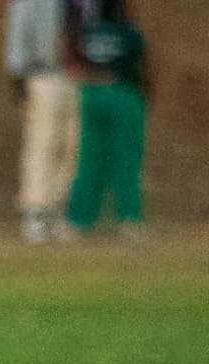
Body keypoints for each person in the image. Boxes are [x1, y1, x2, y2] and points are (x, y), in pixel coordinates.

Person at [65, 0, 148, 238]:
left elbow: (77, 59)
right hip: (124, 94)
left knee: (89, 160)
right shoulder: (129, 33)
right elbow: (142, 64)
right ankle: (130, 219)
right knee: (126, 160)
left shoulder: (88, 32)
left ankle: (79, 220)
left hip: (92, 94)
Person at [8, 0, 79, 242]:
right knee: (41, 143)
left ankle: (59, 209)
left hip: (76, 75)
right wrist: (18, 76)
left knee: (71, 146)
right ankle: (36, 213)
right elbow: (18, 31)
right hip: (42, 73)